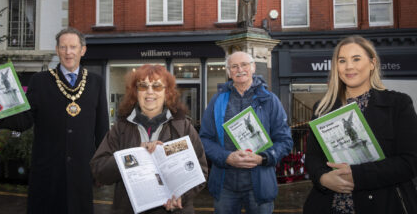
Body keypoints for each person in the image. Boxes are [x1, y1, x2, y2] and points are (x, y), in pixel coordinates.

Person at [0, 27, 109, 214]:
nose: (68, 52)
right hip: (48, 171)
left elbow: (102, 128)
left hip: (81, 172)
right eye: (63, 47)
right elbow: (23, 122)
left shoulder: (96, 82)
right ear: (57, 50)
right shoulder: (39, 81)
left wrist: (101, 167)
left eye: (73, 47)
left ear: (83, 50)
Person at [303, 35, 417, 214]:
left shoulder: (398, 104)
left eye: (356, 59)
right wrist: (323, 178)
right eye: (342, 60)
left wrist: (357, 175)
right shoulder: (323, 107)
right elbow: (312, 157)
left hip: (382, 204)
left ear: (372, 63)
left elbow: (409, 162)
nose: (349, 66)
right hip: (329, 205)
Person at [90, 64, 208, 214]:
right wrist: (131, 156)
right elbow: (99, 171)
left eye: (157, 86)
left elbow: (200, 171)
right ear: (135, 92)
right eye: (143, 86)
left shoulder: (183, 127)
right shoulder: (121, 128)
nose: (150, 92)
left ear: (167, 92)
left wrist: (181, 196)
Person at [199, 51, 293, 214]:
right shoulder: (217, 100)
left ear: (253, 67)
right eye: (234, 66)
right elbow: (204, 140)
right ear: (229, 71)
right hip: (225, 186)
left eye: (244, 65)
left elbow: (285, 141)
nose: (239, 69)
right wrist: (226, 157)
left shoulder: (270, 100)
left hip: (259, 186)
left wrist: (262, 158)